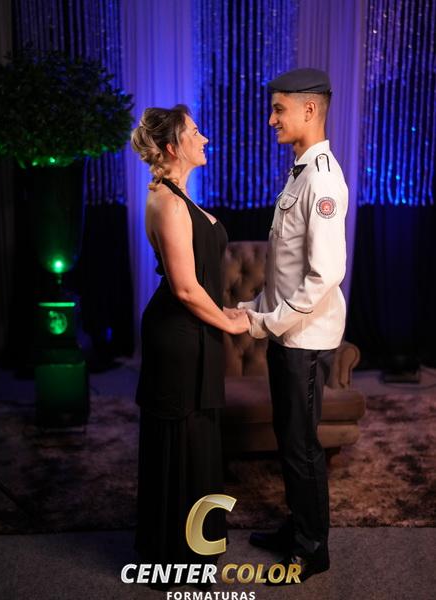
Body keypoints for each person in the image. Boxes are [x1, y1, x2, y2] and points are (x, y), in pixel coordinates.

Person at [131, 104, 249, 590]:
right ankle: (173, 557)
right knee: (182, 440)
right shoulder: (166, 201)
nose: (205, 139)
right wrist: (229, 323)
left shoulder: (179, 196)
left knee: (198, 441)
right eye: (195, 132)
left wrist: (226, 316)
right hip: (178, 335)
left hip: (193, 332)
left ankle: (193, 551)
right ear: (172, 146)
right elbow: (183, 288)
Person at [238, 68, 348, 585]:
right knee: (289, 437)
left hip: (304, 337)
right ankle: (297, 526)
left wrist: (268, 323)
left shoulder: (322, 179)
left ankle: (312, 549)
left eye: (279, 109)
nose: (271, 119)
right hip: (289, 330)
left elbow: (325, 274)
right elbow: (284, 268)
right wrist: (252, 308)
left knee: (302, 445)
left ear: (309, 110)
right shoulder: (301, 172)